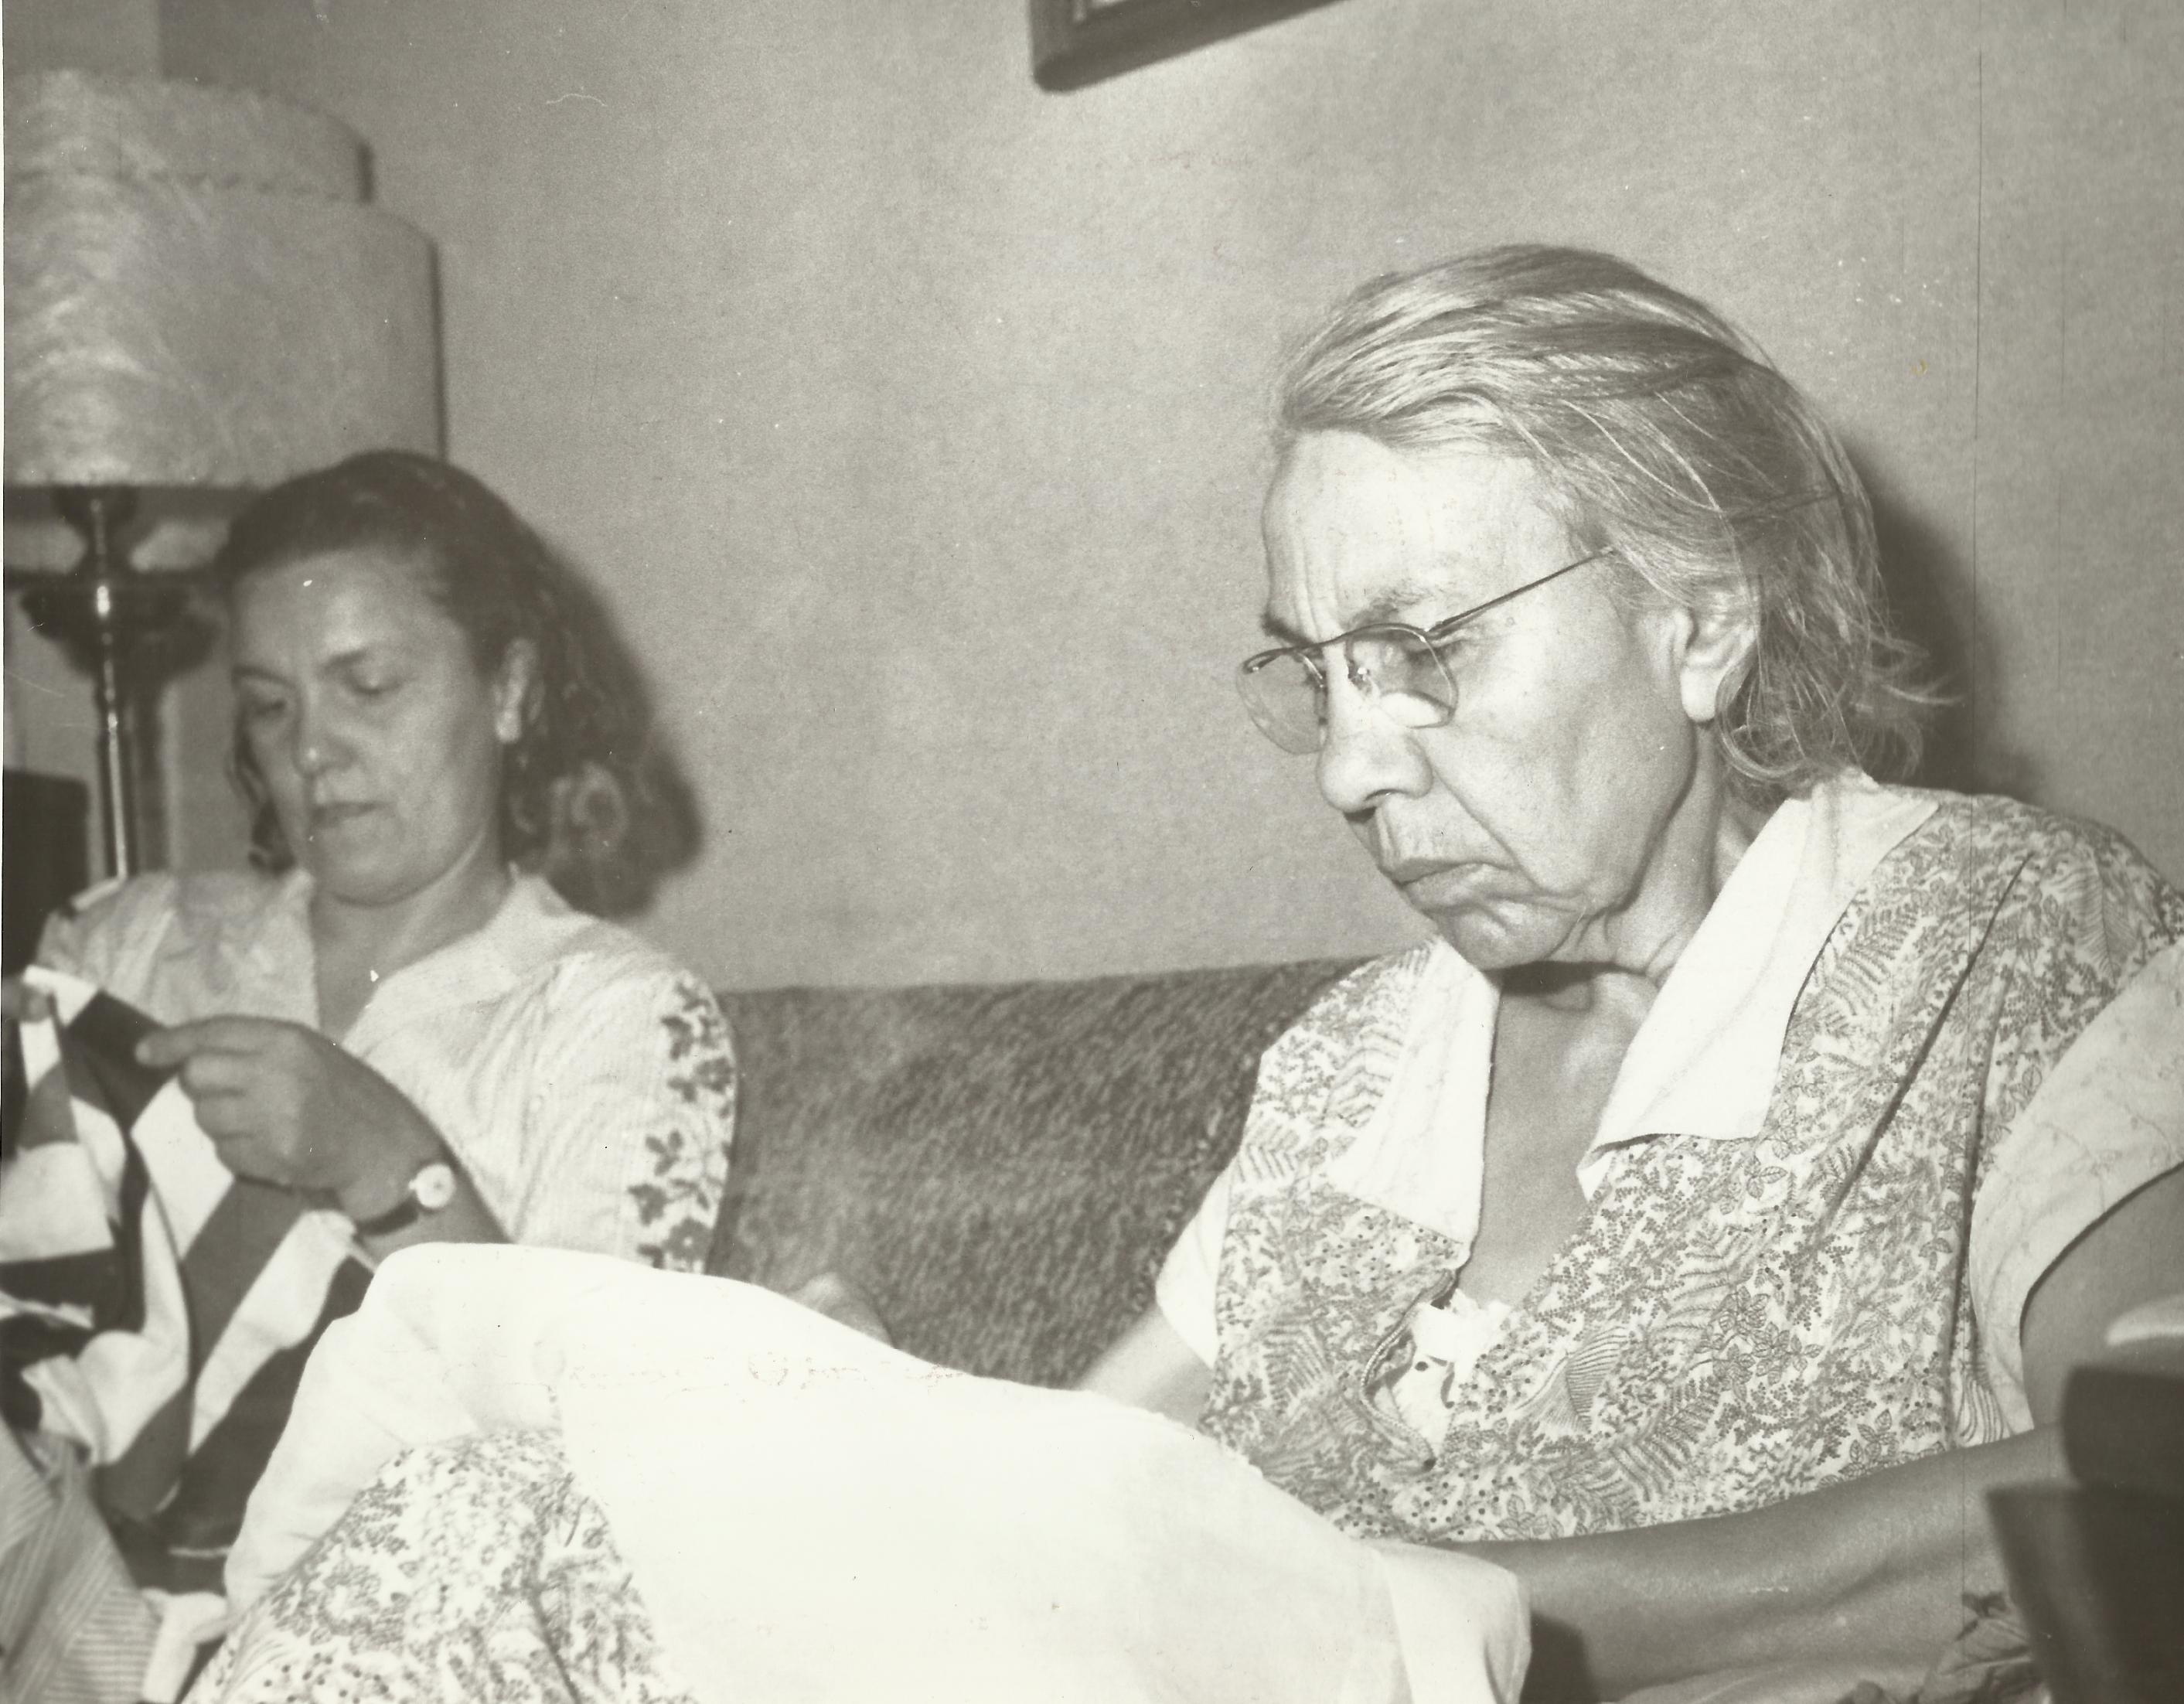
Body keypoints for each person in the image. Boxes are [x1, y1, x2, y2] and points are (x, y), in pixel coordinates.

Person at [186, 251, 2182, 1704]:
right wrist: (881, 1421)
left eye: (1424, 651)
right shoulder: (1353, 1071)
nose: (1348, 766)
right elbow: (1089, 1492)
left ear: (1703, 623)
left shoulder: (2001, 934)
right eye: (1313, 673)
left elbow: (2148, 1480)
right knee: (507, 1512)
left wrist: (1471, 1607)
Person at [1, 451, 737, 1700]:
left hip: (376, 1637)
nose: (314, 752)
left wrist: (392, 1167)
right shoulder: (124, 945)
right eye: (270, 707)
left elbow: (598, 1459)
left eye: (370, 687)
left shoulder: (613, 1017)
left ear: (509, 691)